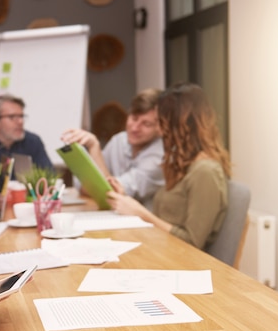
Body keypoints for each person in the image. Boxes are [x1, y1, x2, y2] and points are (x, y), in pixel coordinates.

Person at [106, 82, 231, 249]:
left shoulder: (205, 171)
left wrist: (141, 214)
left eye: (161, 123)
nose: (159, 131)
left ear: (178, 126)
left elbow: (192, 242)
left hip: (179, 261)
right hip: (160, 249)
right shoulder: (180, 163)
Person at [60, 88, 164, 210]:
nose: (135, 128)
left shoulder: (161, 155)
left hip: (143, 225)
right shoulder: (119, 140)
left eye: (146, 124)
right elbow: (83, 185)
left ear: (161, 128)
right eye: (134, 119)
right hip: (113, 217)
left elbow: (112, 194)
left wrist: (94, 147)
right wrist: (95, 187)